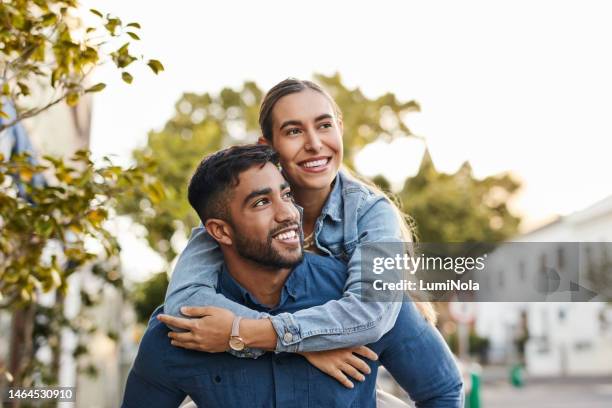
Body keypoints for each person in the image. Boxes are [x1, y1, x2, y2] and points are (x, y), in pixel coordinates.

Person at [122, 145, 463, 407]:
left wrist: (247, 333)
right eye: (260, 203)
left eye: (286, 194)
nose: (288, 213)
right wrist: (301, 346)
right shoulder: (182, 331)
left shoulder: (364, 297)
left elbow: (443, 391)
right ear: (220, 232)